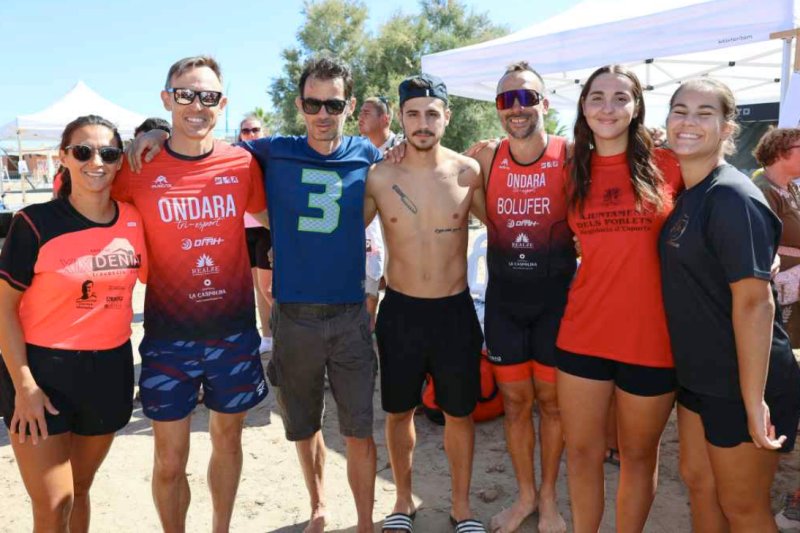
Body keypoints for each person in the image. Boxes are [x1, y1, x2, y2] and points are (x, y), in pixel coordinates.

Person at [128, 54, 381, 533]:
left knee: (351, 430)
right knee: (294, 428)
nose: (323, 114)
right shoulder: (265, 152)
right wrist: (152, 135)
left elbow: (406, 168)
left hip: (322, 319)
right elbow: (197, 145)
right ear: (299, 104)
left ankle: (362, 523)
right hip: (257, 321)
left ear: (349, 106)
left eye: (334, 104)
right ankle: (318, 505)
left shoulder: (359, 156)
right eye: (313, 103)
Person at [115, 55, 269, 533]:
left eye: (208, 97)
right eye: (186, 94)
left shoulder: (242, 162)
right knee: (168, 460)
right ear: (167, 99)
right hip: (167, 337)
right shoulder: (136, 166)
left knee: (227, 441)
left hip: (233, 332)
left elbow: (274, 220)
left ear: (221, 104)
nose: (197, 105)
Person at [660, 78, 800, 533]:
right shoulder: (690, 193)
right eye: (680, 110)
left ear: (726, 128)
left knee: (744, 509)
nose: (689, 121)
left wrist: (753, 397)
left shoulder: (732, 196)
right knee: (699, 484)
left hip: (746, 380)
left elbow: (756, 305)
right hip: (701, 375)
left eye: (705, 113)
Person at [0, 114, 146, 532]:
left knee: (80, 489)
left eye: (108, 152)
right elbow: (3, 308)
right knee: (54, 502)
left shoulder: (134, 221)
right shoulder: (33, 223)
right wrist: (24, 386)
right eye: (82, 151)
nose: (95, 161)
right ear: (63, 157)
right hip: (40, 375)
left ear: (120, 161)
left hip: (108, 370)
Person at [555, 65, 682, 533]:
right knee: (583, 452)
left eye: (620, 98)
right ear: (583, 108)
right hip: (583, 332)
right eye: (596, 97)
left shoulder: (669, 164)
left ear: (636, 107)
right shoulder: (571, 171)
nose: (608, 107)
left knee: (637, 456)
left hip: (652, 339)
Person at [365, 74, 487, 533]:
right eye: (413, 113)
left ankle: (461, 506)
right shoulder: (380, 174)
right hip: (401, 312)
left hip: (454, 312)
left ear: (446, 117)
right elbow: (343, 233)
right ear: (400, 117)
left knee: (460, 413)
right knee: (398, 411)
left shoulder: (467, 172)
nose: (422, 123)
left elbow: (509, 220)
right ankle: (402, 501)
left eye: (431, 113)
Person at [467, 61, 572, 533]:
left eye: (526, 97)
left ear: (544, 103)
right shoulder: (486, 159)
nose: (516, 107)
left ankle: (549, 499)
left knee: (552, 406)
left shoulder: (570, 155)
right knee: (514, 406)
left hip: (556, 305)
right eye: (506, 99)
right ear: (497, 108)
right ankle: (525, 495)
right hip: (506, 304)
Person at [752, 128, 800, 347]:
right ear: (780, 152)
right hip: (779, 287)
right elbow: (759, 245)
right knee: (778, 349)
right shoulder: (762, 190)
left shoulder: (790, 188)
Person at [358, 96, 395, 329]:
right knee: (368, 298)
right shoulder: (357, 151)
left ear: (385, 118)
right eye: (359, 112)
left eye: (367, 112)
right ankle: (368, 355)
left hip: (397, 239)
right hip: (369, 236)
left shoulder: (403, 150)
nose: (360, 117)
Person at [238, 114, 274, 352]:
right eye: (246, 130)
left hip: (266, 228)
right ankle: (268, 338)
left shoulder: (271, 158)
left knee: (268, 289)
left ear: (265, 132)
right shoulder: (237, 157)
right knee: (257, 290)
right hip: (243, 230)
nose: (250, 134)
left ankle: (289, 335)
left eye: (255, 129)